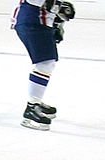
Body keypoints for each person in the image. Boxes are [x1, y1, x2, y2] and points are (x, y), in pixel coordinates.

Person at [12, 0, 76, 130]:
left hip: (38, 21)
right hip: (33, 21)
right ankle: (32, 107)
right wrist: (56, 7)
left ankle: (35, 102)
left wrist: (57, 22)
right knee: (45, 63)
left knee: (47, 63)